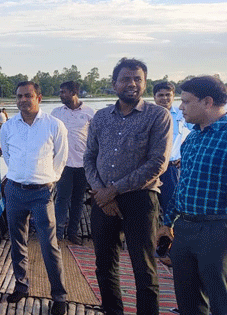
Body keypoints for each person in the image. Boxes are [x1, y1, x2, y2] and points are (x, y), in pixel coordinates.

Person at [83, 58, 172, 315]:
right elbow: (89, 157)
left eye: (137, 79)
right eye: (125, 79)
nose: (132, 84)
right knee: (104, 265)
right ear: (114, 84)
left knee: (143, 268)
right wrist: (102, 192)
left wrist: (114, 190)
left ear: (145, 84)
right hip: (103, 201)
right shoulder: (100, 117)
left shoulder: (158, 116)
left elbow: (158, 163)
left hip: (140, 199)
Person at [156, 76, 227, 315]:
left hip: (218, 229)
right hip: (185, 228)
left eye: (186, 101)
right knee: (188, 298)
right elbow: (183, 185)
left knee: (221, 297)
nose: (180, 107)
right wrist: (168, 223)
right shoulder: (192, 138)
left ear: (207, 102)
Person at [0, 81, 68, 315]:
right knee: (17, 241)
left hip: (42, 192)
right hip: (15, 190)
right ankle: (22, 285)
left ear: (39, 97)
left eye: (28, 96)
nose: (22, 100)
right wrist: (20, 176)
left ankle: (59, 296)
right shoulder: (8, 127)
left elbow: (61, 156)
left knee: (49, 245)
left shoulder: (54, 125)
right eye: (19, 96)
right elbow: (7, 156)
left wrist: (50, 178)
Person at [152, 81, 193, 266]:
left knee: (171, 209)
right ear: (154, 97)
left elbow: (197, 132)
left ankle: (169, 250)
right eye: (161, 95)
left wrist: (185, 156)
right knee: (151, 209)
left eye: (168, 95)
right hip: (151, 169)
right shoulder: (149, 115)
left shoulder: (182, 115)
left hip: (171, 169)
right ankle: (151, 247)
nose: (165, 98)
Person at [51, 81, 95, 245]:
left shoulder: (90, 113)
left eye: (64, 92)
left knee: (77, 200)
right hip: (64, 164)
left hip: (83, 164)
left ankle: (73, 232)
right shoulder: (56, 113)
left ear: (73, 92)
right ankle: (58, 233)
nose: (61, 95)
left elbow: (95, 139)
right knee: (62, 198)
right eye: (60, 92)